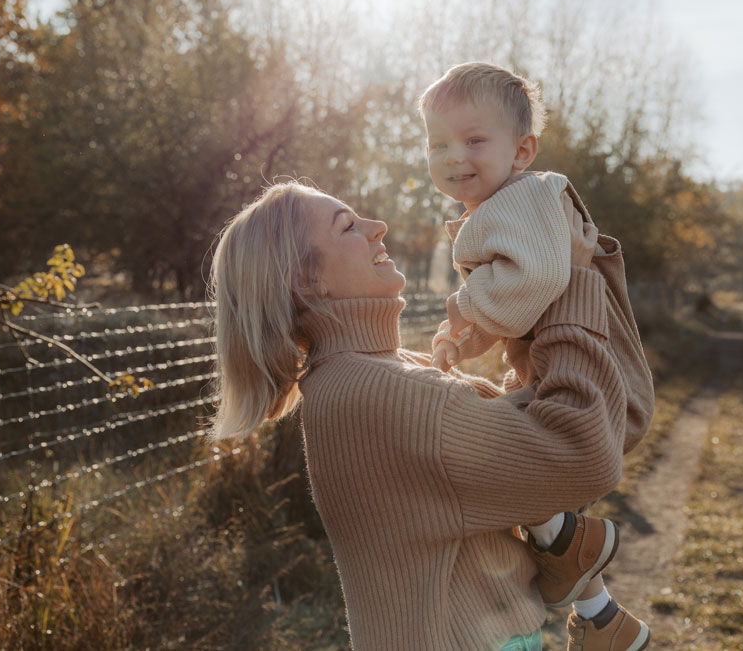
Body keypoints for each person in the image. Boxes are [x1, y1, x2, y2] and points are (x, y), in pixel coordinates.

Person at [208, 180, 650, 650]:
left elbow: (533, 426)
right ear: (306, 279)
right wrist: (573, 283)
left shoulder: (378, 373)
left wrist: (528, 300)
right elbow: (579, 451)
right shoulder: (371, 393)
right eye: (348, 226)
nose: (378, 227)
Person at [419, 61, 654, 649]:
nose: (453, 156)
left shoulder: (521, 201)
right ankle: (601, 617)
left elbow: (540, 279)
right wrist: (466, 336)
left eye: (474, 140)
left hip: (595, 381)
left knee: (488, 448)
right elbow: (524, 296)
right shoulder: (505, 208)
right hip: (578, 370)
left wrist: (464, 304)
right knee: (504, 457)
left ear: (521, 150)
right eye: (438, 143)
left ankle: (574, 550)